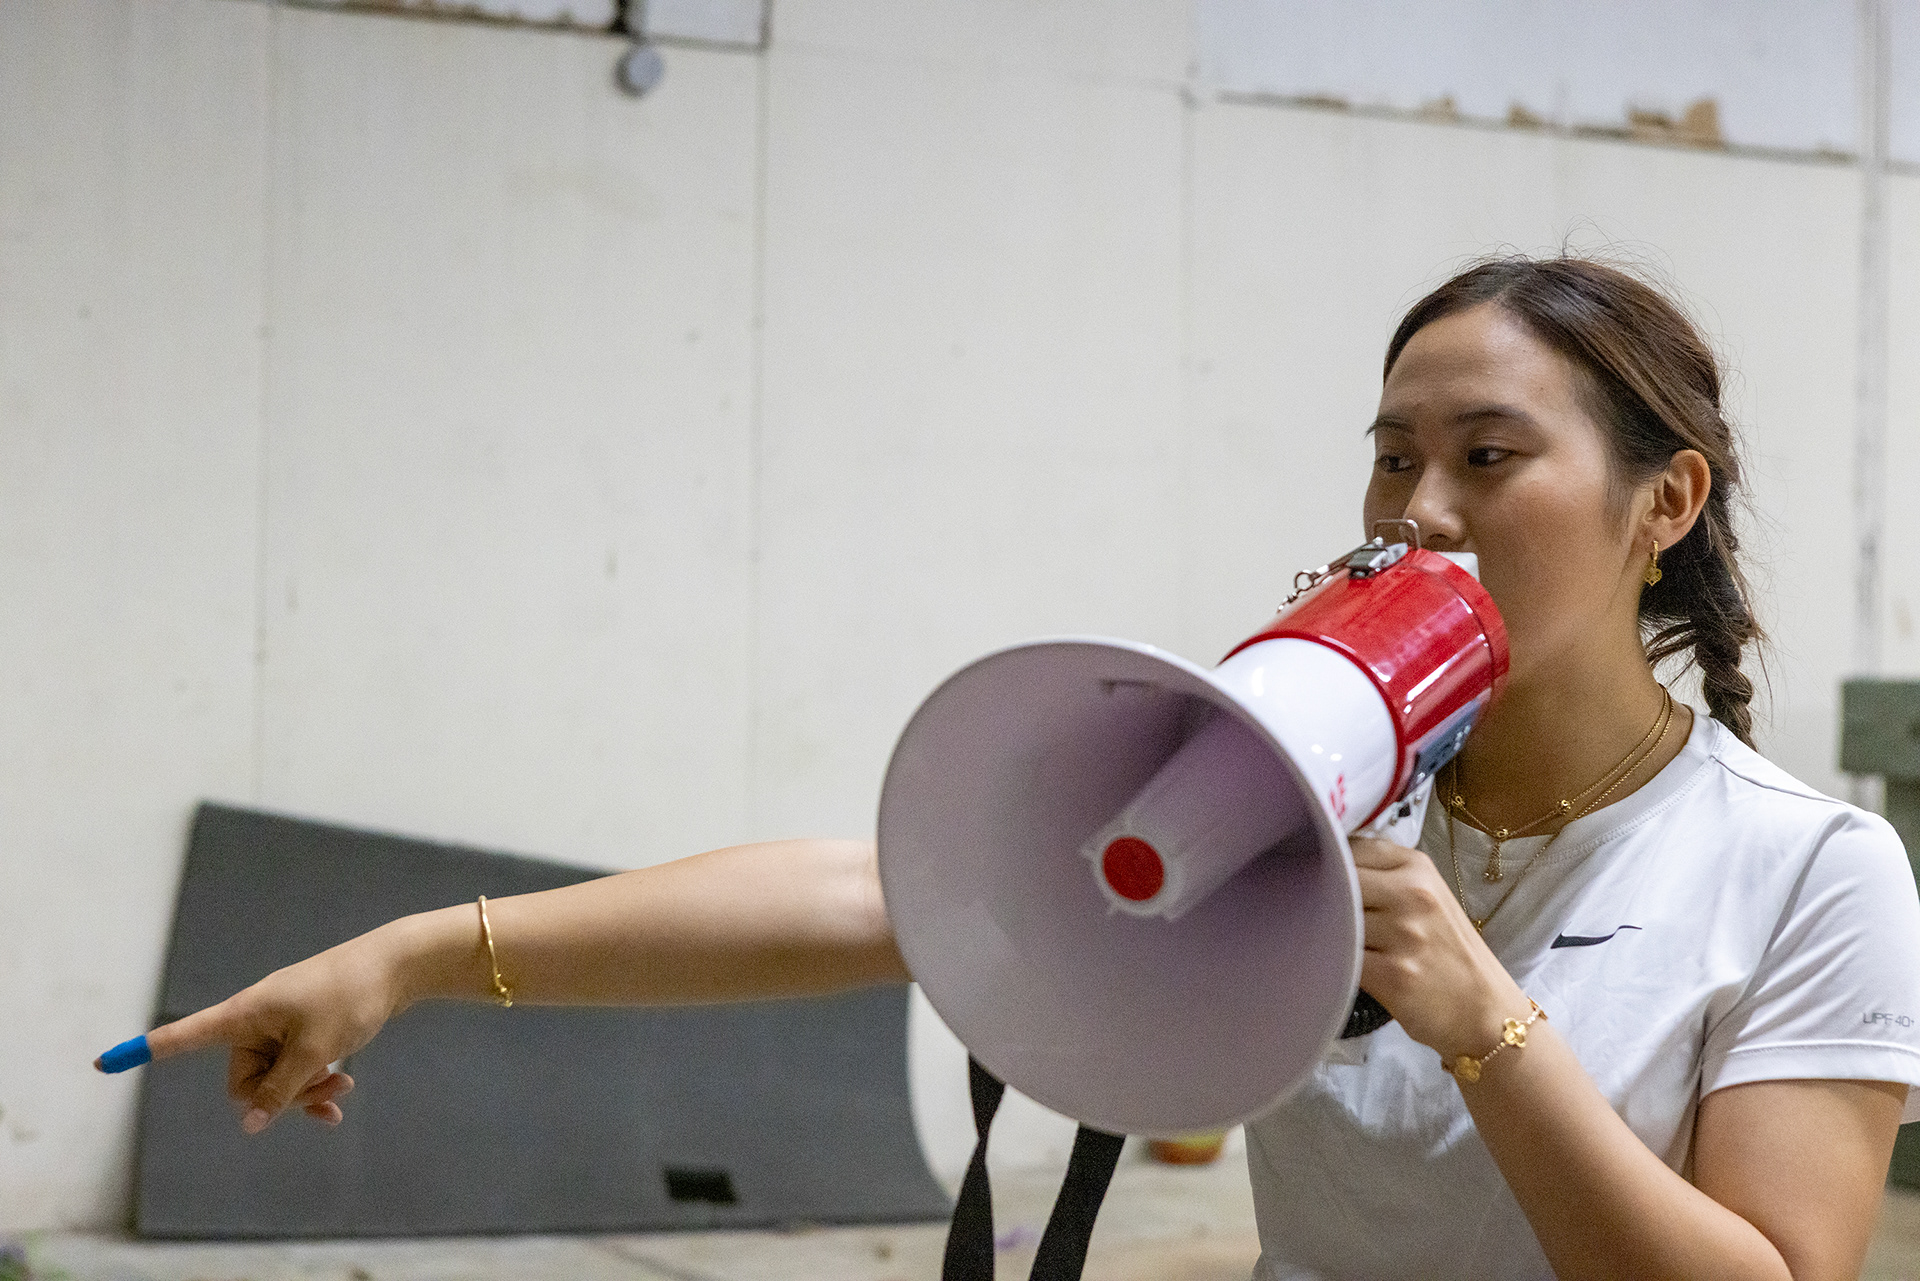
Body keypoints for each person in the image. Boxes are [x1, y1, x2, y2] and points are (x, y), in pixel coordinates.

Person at [115, 257, 1920, 1281]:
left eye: (1489, 455)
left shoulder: (1808, 873)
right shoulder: (1312, 788)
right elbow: (885, 896)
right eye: (1392, 455)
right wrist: (414, 955)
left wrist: (1486, 1025)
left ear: (1663, 502)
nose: (1419, 510)